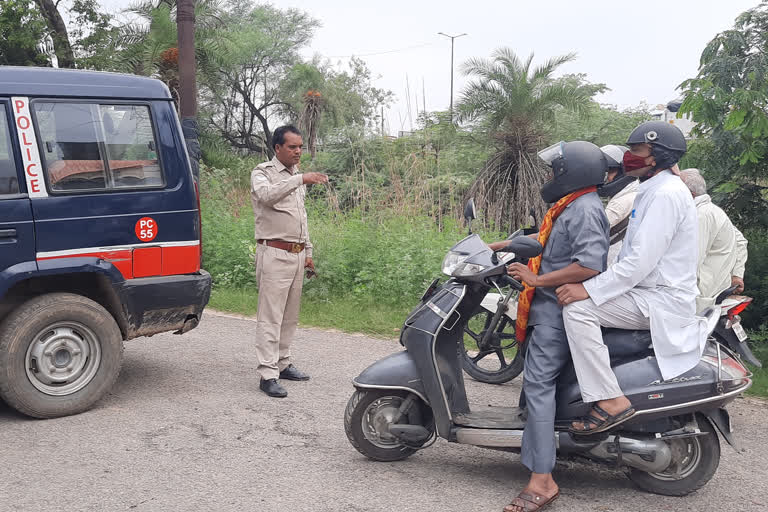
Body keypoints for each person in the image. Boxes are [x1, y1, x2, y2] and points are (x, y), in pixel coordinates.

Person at [556, 121, 710, 435]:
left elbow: (640, 262)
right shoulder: (652, 189)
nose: (629, 156)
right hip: (650, 291)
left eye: (637, 150)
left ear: (658, 156)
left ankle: (612, 399)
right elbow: (629, 254)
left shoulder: (665, 194)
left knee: (577, 309)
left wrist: (587, 289)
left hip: (660, 299)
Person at [488, 141, 609, 512]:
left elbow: (590, 265)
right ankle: (536, 447)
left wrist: (536, 281)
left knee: (539, 386)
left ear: (571, 173)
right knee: (539, 388)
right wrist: (498, 246)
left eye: (553, 171)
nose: (548, 177)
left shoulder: (585, 209)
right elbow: (543, 247)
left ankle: (542, 479)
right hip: (545, 311)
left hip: (554, 314)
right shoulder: (567, 207)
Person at [250, 125, 328, 398]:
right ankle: (267, 373)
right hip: (274, 253)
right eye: (292, 147)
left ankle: (283, 363)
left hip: (295, 255)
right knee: (270, 317)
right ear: (277, 148)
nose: (298, 152)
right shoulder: (263, 173)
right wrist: (301, 179)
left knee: (290, 316)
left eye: (300, 147)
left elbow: (301, 218)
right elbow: (267, 196)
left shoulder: (297, 177)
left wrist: (308, 252)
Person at [680, 168, 748, 310]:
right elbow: (741, 241)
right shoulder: (713, 210)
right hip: (717, 288)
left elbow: (691, 261)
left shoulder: (700, 215)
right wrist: (737, 275)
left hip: (700, 295)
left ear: (689, 194)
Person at [599, 144, 638, 265]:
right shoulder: (631, 193)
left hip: (614, 263)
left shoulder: (624, 201)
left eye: (610, 171)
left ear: (623, 172)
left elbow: (594, 229)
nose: (607, 177)